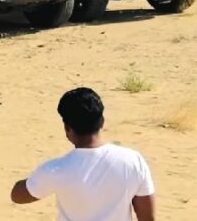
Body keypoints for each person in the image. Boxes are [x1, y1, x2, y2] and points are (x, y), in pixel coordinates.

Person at [10, 87, 155, 221]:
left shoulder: (56, 169)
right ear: (102, 121)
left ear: (67, 129)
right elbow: (147, 217)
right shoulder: (133, 160)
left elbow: (17, 195)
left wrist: (41, 176)